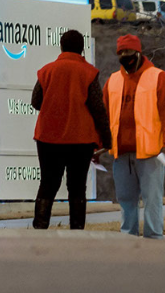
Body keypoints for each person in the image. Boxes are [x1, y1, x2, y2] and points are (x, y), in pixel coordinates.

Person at [30, 30, 112, 230]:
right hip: (80, 139)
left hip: (48, 138)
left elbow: (36, 101)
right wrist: (107, 137)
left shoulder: (47, 71)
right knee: (76, 187)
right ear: (82, 48)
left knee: (48, 183)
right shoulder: (88, 73)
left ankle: (40, 226)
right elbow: (97, 108)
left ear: (61, 46)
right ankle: (77, 230)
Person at [103, 34, 165, 239]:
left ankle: (153, 238)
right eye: (121, 53)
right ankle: (128, 239)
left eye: (128, 52)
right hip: (121, 152)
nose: (124, 56)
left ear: (138, 53)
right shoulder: (112, 81)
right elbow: (104, 116)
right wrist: (98, 145)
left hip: (151, 152)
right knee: (126, 200)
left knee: (152, 199)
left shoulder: (157, 77)